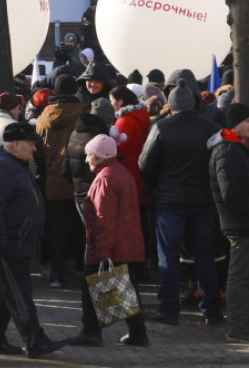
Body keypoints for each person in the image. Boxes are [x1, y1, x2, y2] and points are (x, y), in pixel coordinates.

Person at [138, 78, 222, 326]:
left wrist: (158, 186)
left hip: (169, 202)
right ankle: (212, 309)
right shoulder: (210, 128)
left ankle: (169, 308)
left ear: (171, 105)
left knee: (169, 257)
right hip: (203, 202)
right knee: (205, 257)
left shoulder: (162, 128)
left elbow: (145, 164)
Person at [0, 121, 66, 358]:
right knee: (20, 294)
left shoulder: (15, 164)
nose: (35, 149)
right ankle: (35, 340)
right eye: (31, 144)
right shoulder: (2, 166)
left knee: (2, 294)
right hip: (9, 242)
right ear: (15, 144)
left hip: (15, 240)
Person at [68, 134, 149, 348]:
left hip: (110, 246)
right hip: (126, 245)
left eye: (89, 155)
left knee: (91, 288)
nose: (86, 160)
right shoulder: (120, 173)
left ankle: (91, 333)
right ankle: (138, 333)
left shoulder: (106, 178)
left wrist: (102, 250)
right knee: (126, 288)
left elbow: (104, 217)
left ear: (100, 156)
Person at [208, 103, 249, 342]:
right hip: (241, 224)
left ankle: (246, 325)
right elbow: (231, 194)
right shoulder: (228, 150)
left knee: (245, 277)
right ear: (234, 124)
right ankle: (238, 329)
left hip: (245, 223)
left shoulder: (236, 147)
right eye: (247, 121)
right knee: (239, 277)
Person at [35, 74, 89, 288]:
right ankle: (85, 271)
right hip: (80, 183)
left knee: (56, 229)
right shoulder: (84, 114)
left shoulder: (43, 118)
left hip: (52, 182)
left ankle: (56, 273)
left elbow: (38, 152)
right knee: (82, 228)